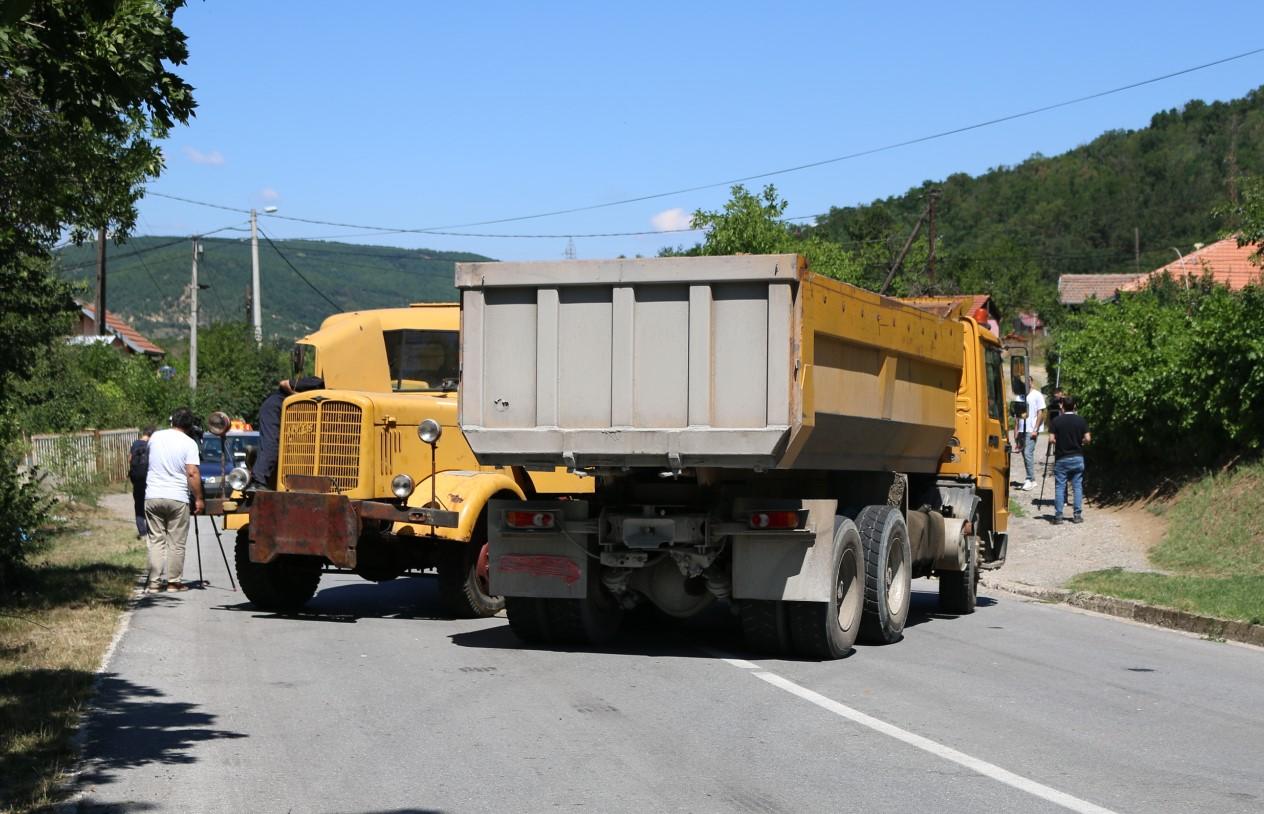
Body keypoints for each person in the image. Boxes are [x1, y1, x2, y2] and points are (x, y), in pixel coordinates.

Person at [143, 408, 203, 592]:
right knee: (176, 541)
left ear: (172, 421)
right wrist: (199, 498)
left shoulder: (155, 437)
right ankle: (173, 582)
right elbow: (192, 472)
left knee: (156, 540)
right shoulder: (189, 443)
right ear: (189, 425)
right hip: (177, 497)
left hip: (153, 495)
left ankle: (154, 582)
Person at [251, 376, 325, 490]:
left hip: (288, 408)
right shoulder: (315, 382)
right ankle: (258, 480)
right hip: (275, 407)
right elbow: (284, 383)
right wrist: (296, 396)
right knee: (271, 442)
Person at [1050, 395, 1091, 525]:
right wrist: (1081, 442)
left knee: (1060, 486)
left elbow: (1051, 439)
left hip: (1062, 457)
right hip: (1077, 457)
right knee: (1077, 486)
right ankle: (1077, 515)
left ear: (1062, 406)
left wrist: (1059, 441)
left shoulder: (1056, 421)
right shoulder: (1081, 420)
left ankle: (1058, 516)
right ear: (1075, 406)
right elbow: (1088, 438)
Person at [1015, 380, 1047, 491]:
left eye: (1028, 381)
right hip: (1022, 429)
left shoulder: (1037, 395)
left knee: (1028, 452)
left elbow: (1041, 413)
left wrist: (1035, 429)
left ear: (1032, 383)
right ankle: (1031, 478)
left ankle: (1030, 479)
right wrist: (1016, 432)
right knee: (1024, 453)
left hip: (1031, 429)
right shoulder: (1020, 397)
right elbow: (1017, 416)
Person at [127, 426, 155, 539]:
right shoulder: (151, 445)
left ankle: (142, 533)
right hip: (149, 479)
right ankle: (151, 530)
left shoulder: (135, 444)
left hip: (137, 479)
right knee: (150, 505)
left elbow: (129, 459)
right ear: (151, 435)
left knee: (138, 505)